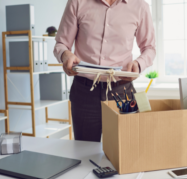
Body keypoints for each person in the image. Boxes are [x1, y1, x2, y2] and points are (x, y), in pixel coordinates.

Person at [54, 0, 156, 142]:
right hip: (84, 92)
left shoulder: (140, 6)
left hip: (122, 92)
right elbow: (61, 43)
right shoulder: (77, 2)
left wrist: (138, 65)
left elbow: (149, 48)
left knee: (124, 152)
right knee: (84, 152)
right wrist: (66, 55)